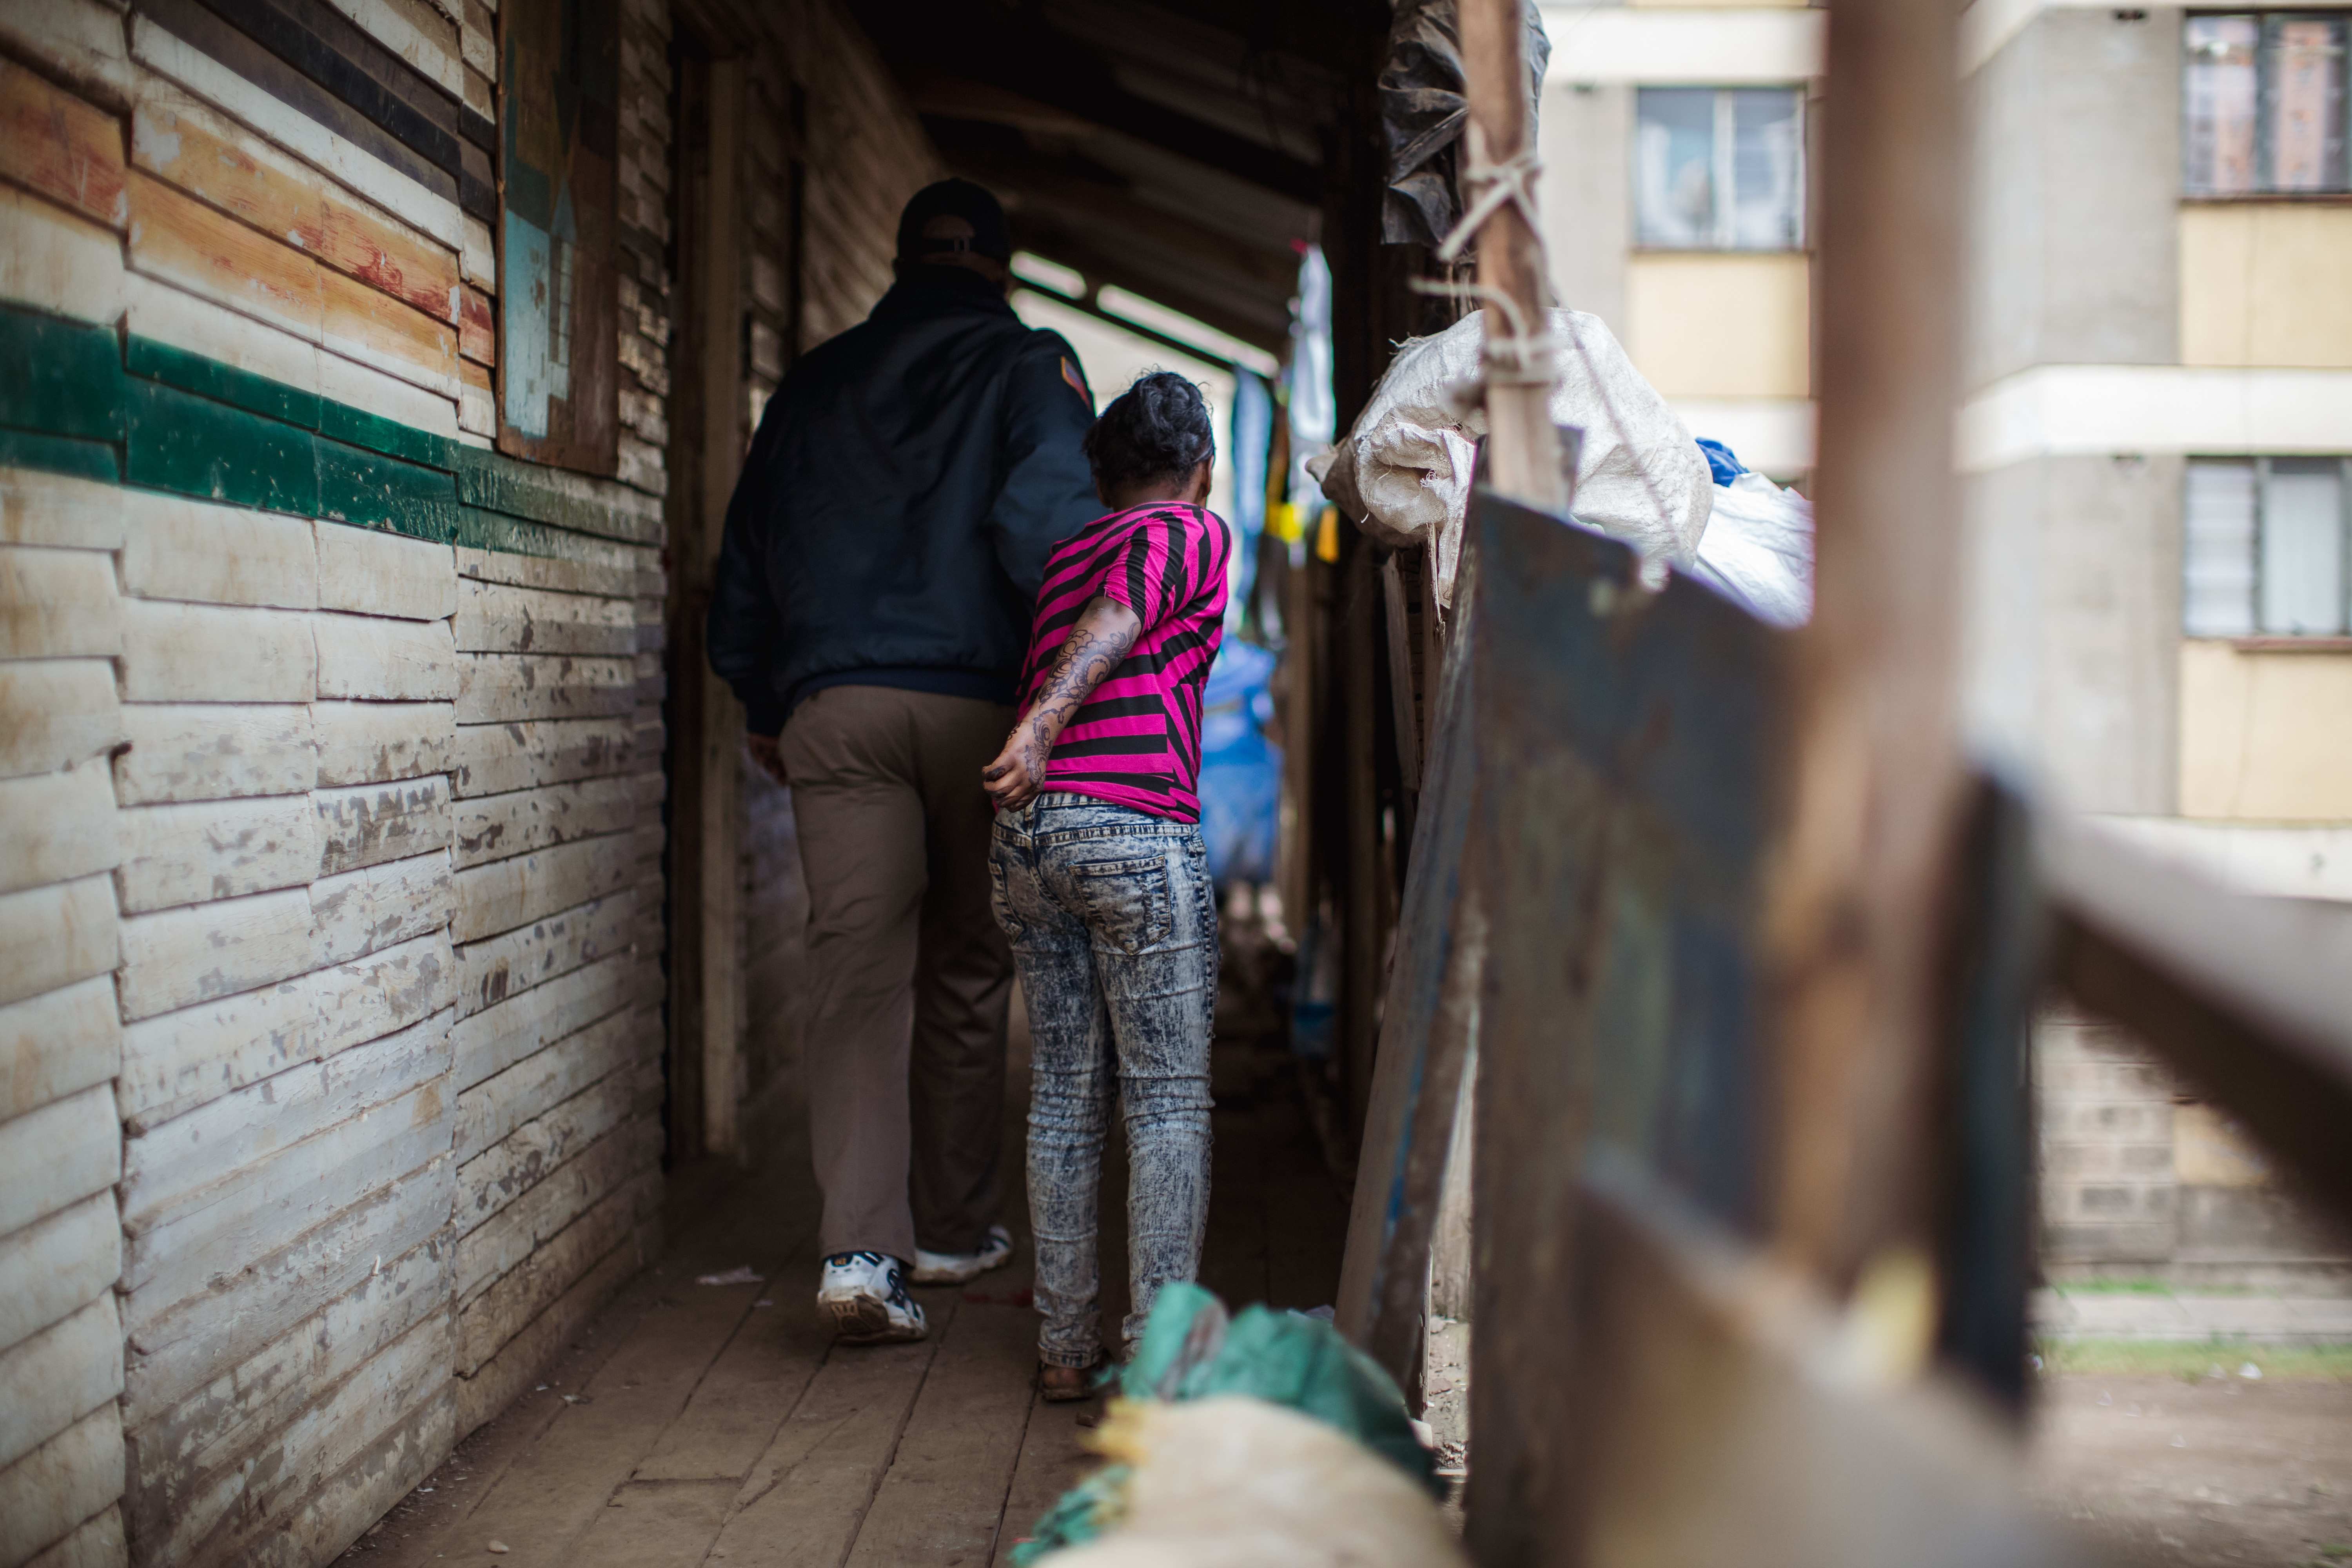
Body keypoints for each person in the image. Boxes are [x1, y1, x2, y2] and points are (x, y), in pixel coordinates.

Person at [707, 179, 1100, 1345]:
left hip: (836, 707)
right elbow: (1050, 536)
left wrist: (764, 695)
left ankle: (858, 1254)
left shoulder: (815, 381)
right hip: (982, 713)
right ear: (997, 268)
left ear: (899, 263)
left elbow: (747, 553)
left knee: (855, 976)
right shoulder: (1031, 368)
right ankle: (953, 1227)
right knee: (970, 969)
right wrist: (1060, 693)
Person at [980, 372, 1230, 1397]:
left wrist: (1038, 740)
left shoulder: (1066, 554)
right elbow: (1126, 615)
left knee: (1065, 1099)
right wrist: (1043, 722)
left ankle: (1066, 1350)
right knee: (1167, 1100)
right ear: (1202, 474)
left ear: (1097, 471)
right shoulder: (1186, 534)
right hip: (1128, 827)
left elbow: (1106, 605)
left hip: (1030, 844)